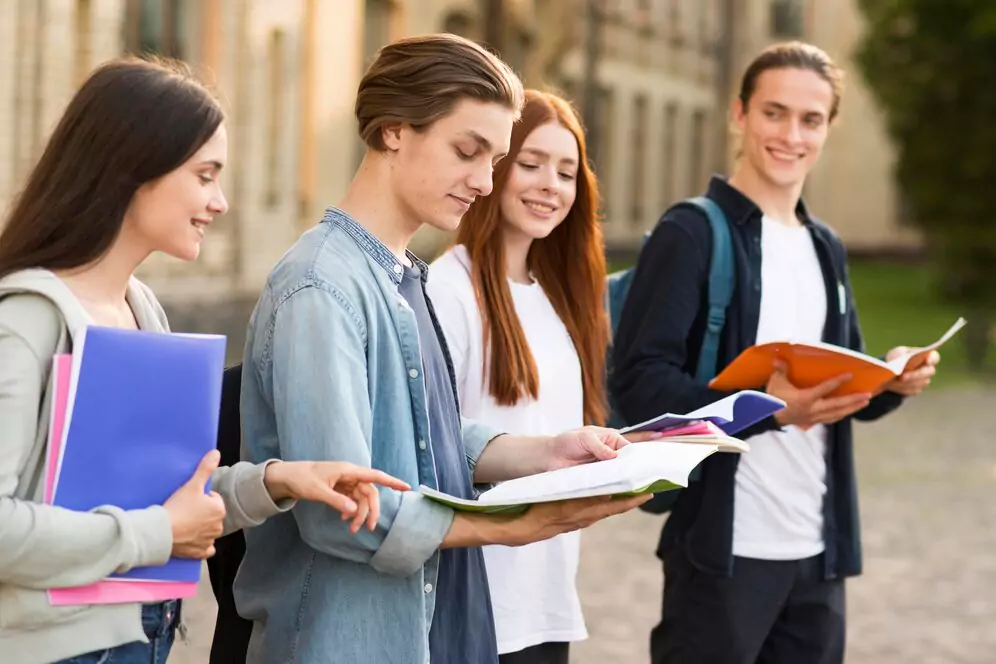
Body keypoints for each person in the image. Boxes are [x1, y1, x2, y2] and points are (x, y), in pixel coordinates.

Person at [237, 34, 653, 664]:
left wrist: (545, 453)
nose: (486, 183)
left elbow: (421, 438)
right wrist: (508, 526)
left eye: (495, 159)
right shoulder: (322, 286)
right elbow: (340, 507)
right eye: (468, 151)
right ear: (394, 130)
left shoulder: (404, 275)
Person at [0, 57, 408, 664]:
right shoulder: (26, 320)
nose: (219, 202)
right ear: (133, 170)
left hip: (143, 636)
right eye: (205, 175)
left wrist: (278, 480)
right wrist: (160, 533)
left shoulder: (143, 310)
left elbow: (169, 492)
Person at [610, 41, 941, 664]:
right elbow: (642, 386)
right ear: (739, 114)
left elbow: (844, 391)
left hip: (818, 555)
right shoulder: (690, 233)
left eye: (810, 120)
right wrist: (765, 409)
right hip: (722, 554)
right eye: (774, 112)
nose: (791, 135)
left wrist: (892, 379)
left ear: (828, 129)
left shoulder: (825, 247)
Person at [426, 89, 607, 664]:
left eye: (566, 171)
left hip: (547, 596)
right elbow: (434, 443)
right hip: (477, 600)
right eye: (530, 164)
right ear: (493, 171)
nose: (550, 184)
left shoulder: (560, 297)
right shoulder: (446, 289)